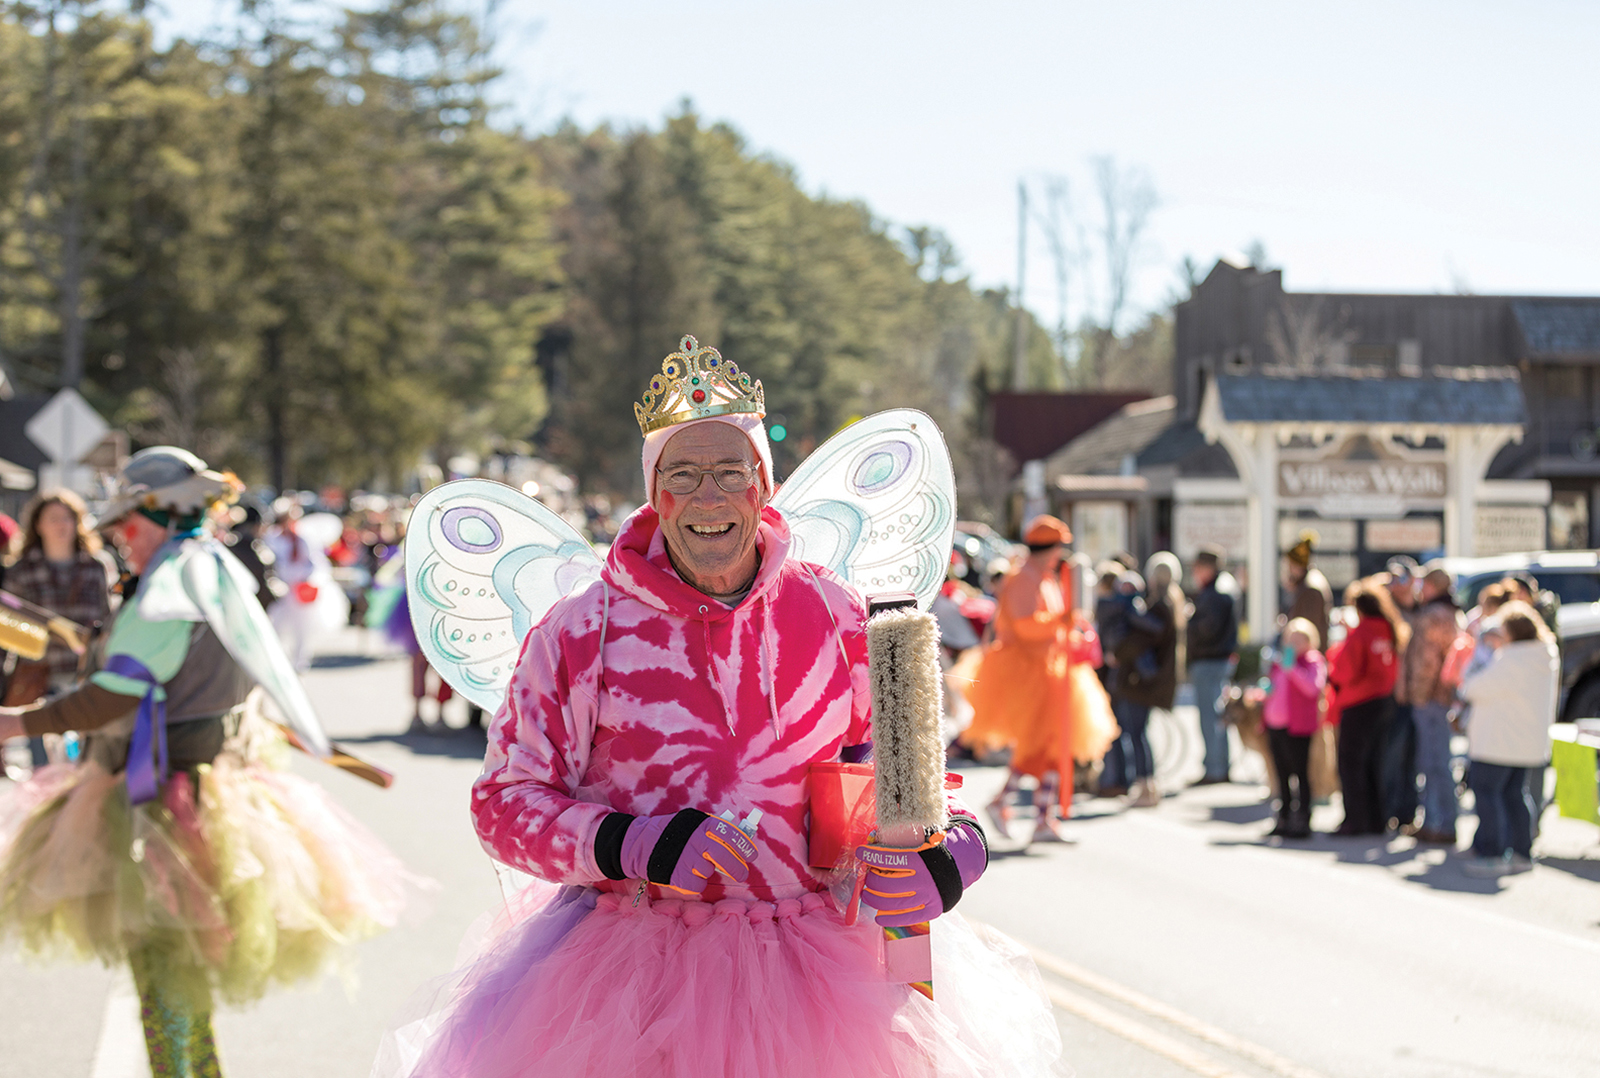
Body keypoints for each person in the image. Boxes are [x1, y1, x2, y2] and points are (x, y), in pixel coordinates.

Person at [376, 339, 1060, 1078]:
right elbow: (503, 807)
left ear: (762, 486)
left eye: (730, 472)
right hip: (626, 986)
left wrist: (955, 848)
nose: (708, 497)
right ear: (654, 493)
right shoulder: (581, 630)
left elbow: (903, 778)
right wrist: (636, 846)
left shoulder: (840, 615)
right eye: (683, 475)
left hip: (822, 983)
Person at [0, 448, 411, 1078]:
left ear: (162, 517)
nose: (118, 539)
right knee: (176, 983)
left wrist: (17, 722)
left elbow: (115, 693)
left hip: (161, 804)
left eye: (127, 525)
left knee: (163, 978)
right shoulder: (210, 567)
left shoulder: (170, 585)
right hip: (202, 788)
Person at [961, 515, 1112, 844]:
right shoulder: (1024, 578)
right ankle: (1016, 807)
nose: (1062, 554)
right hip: (1030, 674)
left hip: (1050, 670)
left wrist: (1066, 627)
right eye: (1059, 547)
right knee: (1040, 745)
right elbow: (1027, 626)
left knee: (1051, 746)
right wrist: (1062, 620)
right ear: (1050, 548)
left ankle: (1036, 815)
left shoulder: (1042, 576)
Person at [1, 490, 117, 772]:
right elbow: (10, 628)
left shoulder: (96, 566)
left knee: (85, 765)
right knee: (44, 770)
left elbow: (109, 616)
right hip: (39, 676)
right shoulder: (21, 570)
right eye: (53, 518)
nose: (60, 525)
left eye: (67, 518)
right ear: (38, 525)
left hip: (87, 675)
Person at [1456, 602, 1558, 877]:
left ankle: (1493, 853)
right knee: (1516, 796)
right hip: (1526, 743)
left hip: (1498, 743)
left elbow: (1473, 687)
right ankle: (1522, 852)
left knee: (1489, 797)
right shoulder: (1544, 655)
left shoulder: (1512, 659)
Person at [1328, 582, 1406, 835]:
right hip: (1384, 701)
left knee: (1351, 765)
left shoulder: (1362, 632)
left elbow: (1345, 671)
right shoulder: (1389, 629)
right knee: (1375, 762)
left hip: (1359, 702)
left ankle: (1356, 820)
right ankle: (1376, 818)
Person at [1105, 559, 1179, 808]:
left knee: (1137, 733)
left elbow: (1141, 640)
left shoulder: (1158, 607)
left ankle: (1146, 786)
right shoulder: (1171, 603)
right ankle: (1147, 786)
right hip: (1150, 679)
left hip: (1142, 680)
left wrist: (1120, 649)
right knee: (1139, 733)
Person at [1404, 568, 1466, 844]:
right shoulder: (1446, 612)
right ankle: (1432, 820)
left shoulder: (1435, 615)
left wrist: (1419, 693)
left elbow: (1428, 661)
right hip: (1435, 695)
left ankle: (1443, 823)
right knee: (1430, 762)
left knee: (1436, 762)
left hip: (1431, 696)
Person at [1260, 617, 1328, 838]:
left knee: (1300, 772)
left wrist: (1292, 670)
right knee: (1281, 773)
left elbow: (1313, 688)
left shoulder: (1312, 661)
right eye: (1291, 638)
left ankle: (1303, 818)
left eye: (1299, 639)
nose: (1294, 643)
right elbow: (1273, 687)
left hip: (1298, 727)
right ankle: (1285, 815)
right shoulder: (1282, 661)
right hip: (1275, 724)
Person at [1187, 545, 1239, 785]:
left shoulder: (1215, 592)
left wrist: (1189, 621)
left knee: (1211, 716)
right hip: (1217, 658)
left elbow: (1207, 629)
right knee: (1216, 714)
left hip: (1211, 658)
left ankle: (1216, 768)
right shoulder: (1221, 587)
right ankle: (1219, 765)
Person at [1381, 558, 1422, 831]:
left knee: (1414, 757)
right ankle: (1391, 810)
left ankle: (1409, 811)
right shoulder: (1387, 611)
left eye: (1402, 579)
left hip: (1420, 694)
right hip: (1394, 694)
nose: (1397, 586)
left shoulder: (1424, 610)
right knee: (1392, 755)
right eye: (1393, 580)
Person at [1281, 530, 1333, 655]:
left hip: (1306, 661)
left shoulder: (1310, 589)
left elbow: (1302, 632)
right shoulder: (1309, 582)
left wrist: (1287, 661)